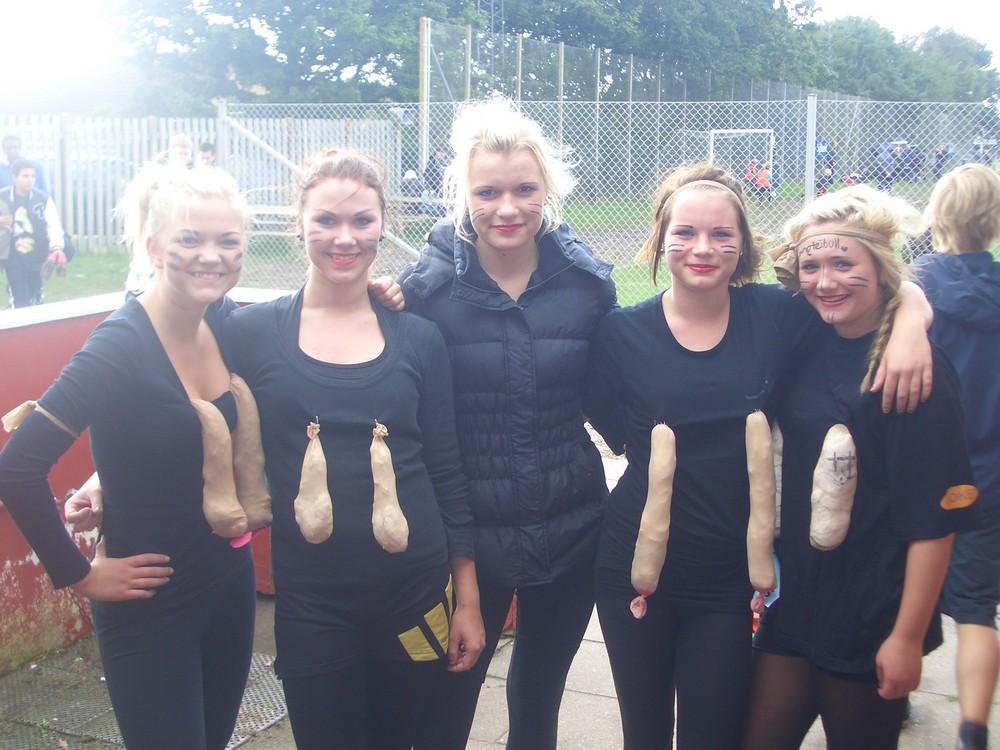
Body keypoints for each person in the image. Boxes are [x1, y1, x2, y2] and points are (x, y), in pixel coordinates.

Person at [582, 164, 935, 749]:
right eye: (685, 232)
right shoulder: (621, 334)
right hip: (632, 569)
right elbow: (614, 426)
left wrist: (913, 318)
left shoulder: (777, 315)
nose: (703, 248)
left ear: (744, 243)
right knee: (643, 734)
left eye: (722, 233)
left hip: (728, 579)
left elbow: (864, 295)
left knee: (714, 735)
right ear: (660, 239)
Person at [224, 149, 484, 750]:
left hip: (416, 593)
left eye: (362, 221)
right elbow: (191, 408)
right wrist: (104, 480)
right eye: (326, 220)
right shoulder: (250, 333)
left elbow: (447, 471)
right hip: (312, 601)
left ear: (383, 225)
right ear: (299, 226)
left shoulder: (419, 338)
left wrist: (467, 599)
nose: (345, 238)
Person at [0, 164, 264, 749]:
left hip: (229, 583)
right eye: (189, 239)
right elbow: (16, 468)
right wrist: (79, 575)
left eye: (227, 241)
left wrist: (102, 476)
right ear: (153, 247)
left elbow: (158, 428)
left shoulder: (221, 319)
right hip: (149, 604)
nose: (211, 256)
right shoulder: (119, 343)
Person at [397, 98, 617, 750]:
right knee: (448, 699)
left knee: (538, 695)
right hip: (466, 538)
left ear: (548, 188)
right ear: (462, 195)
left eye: (524, 189)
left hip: (570, 525)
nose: (507, 208)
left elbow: (619, 393)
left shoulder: (586, 285)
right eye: (487, 192)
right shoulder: (425, 293)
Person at [743, 184, 979, 750]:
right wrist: (913, 310)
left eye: (845, 264)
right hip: (795, 598)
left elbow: (933, 521)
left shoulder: (913, 372)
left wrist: (907, 637)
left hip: (870, 607)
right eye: (812, 266)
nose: (826, 281)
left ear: (879, 266)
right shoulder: (808, 335)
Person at [914, 163, 1000, 750]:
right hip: (987, 478)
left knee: (902, 591)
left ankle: (891, 694)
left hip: (923, 472)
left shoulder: (917, 288)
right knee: (975, 609)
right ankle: (972, 729)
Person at [0, 158, 65, 307]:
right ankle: (18, 305)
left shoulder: (42, 199)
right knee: (21, 299)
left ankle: (37, 294)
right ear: (14, 177)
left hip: (37, 255)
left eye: (32, 176)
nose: (30, 180)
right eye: (25, 176)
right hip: (12, 256)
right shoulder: (2, 197)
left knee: (35, 293)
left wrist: (57, 247)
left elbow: (53, 225)